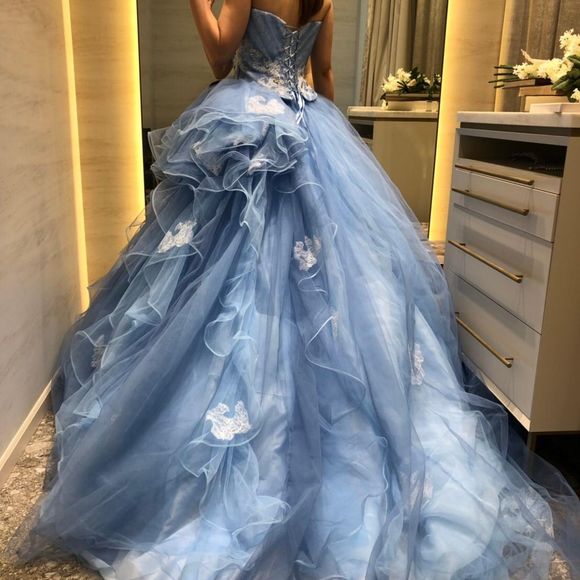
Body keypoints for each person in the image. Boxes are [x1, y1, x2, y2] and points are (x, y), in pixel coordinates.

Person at [4, 0, 580, 578]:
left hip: (252, 119)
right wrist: (336, 155)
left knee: (225, 274)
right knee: (334, 280)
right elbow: (323, 73)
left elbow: (220, 56)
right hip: (310, 123)